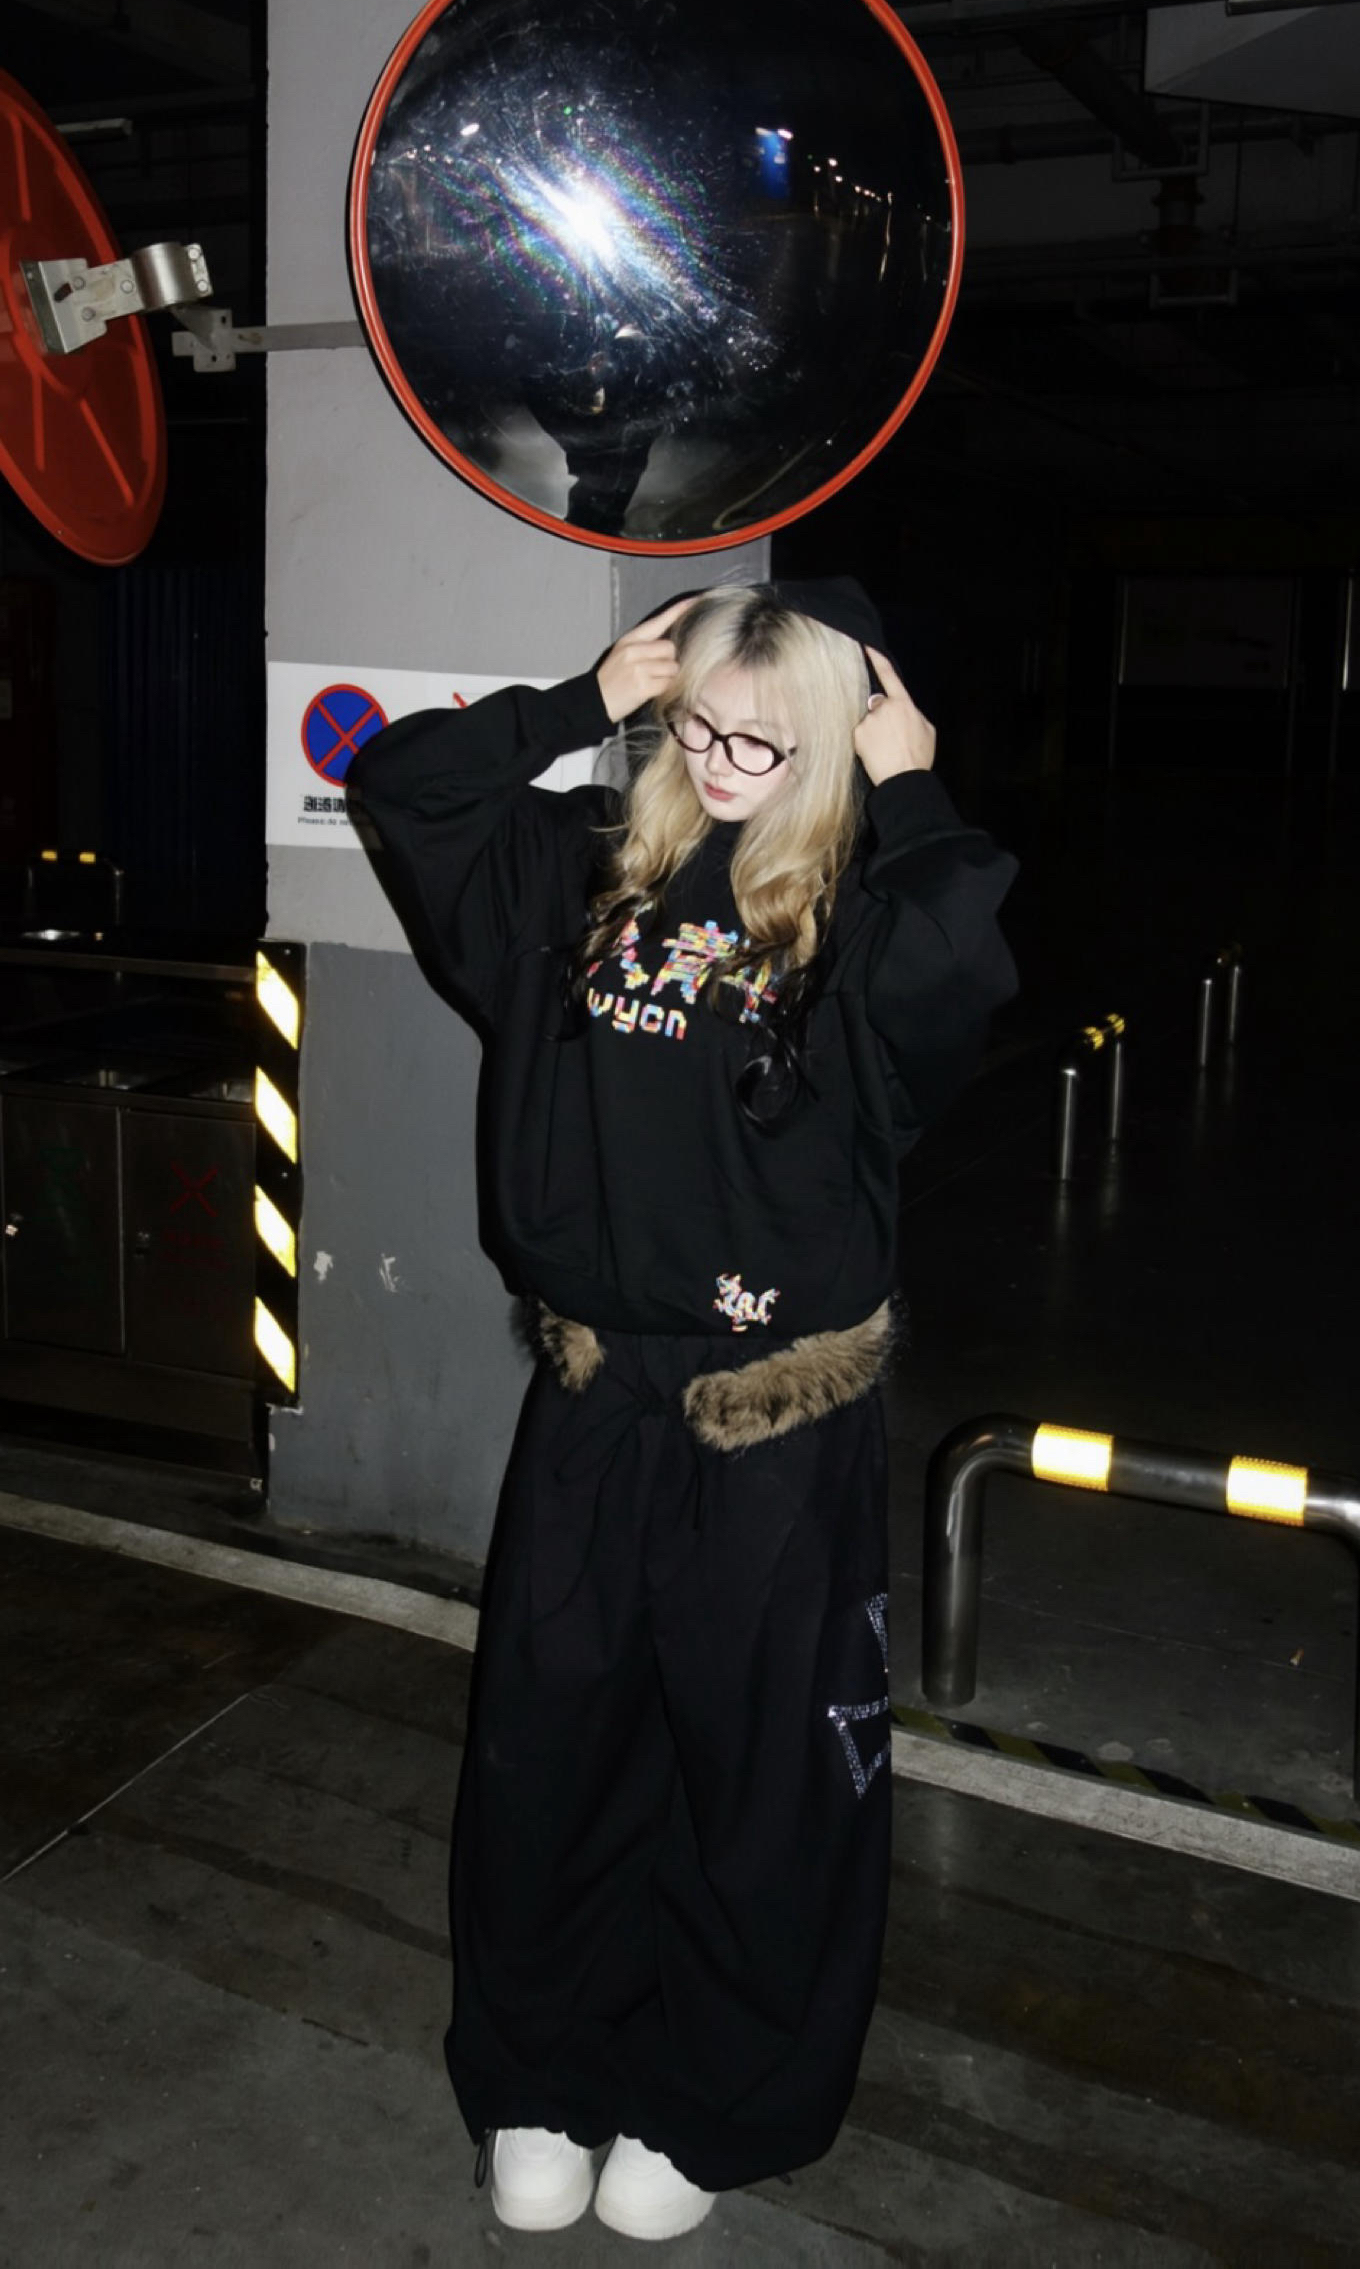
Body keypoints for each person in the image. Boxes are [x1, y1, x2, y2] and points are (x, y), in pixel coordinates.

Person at [351, 577, 1017, 2242]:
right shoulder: (586, 870)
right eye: (697, 723)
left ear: (838, 742)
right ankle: (540, 2067)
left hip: (776, 1418)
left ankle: (713, 2098)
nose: (720, 762)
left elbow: (963, 968)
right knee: (551, 1750)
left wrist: (913, 785)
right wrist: (576, 702)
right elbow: (402, 785)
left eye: (765, 740)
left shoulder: (860, 909)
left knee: (760, 1781)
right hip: (596, 1391)